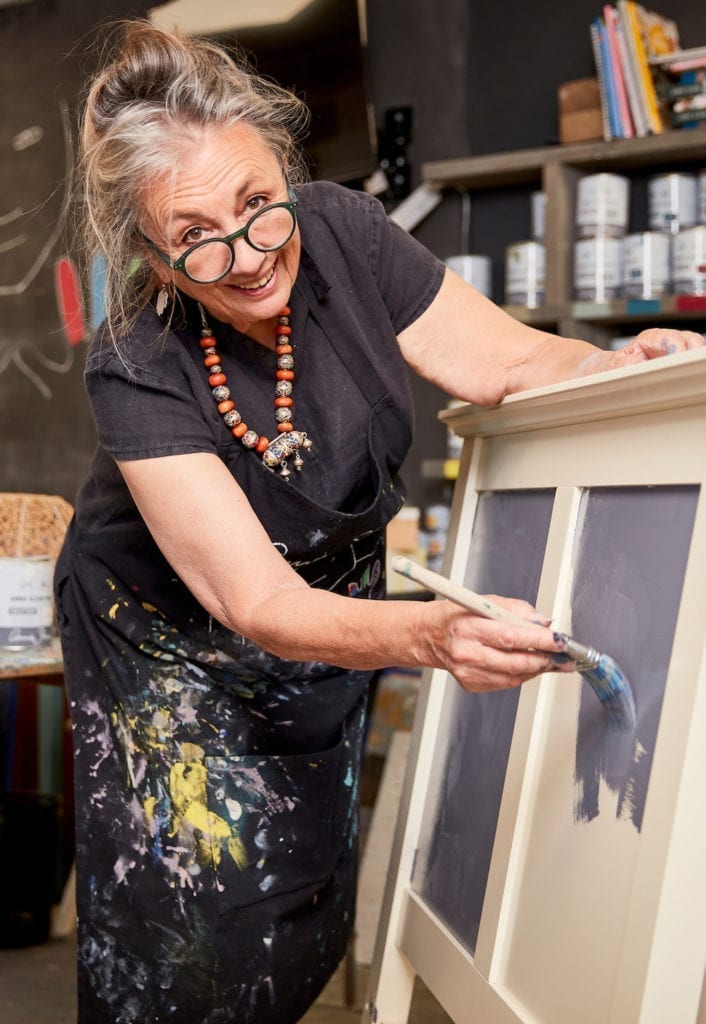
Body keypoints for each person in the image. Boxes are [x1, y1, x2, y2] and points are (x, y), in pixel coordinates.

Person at [54, 19, 704, 1024]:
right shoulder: (136, 359)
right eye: (196, 239)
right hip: (173, 639)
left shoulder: (345, 233)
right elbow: (254, 596)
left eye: (260, 205)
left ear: (283, 167)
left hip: (323, 623)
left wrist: (619, 368)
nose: (249, 256)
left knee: (301, 886)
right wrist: (432, 633)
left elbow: (509, 361)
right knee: (193, 909)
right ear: (151, 256)